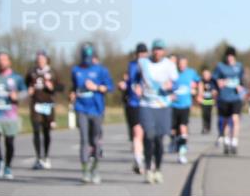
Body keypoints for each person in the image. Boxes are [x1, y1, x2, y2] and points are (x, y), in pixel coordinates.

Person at [70, 43, 115, 185]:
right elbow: (73, 87)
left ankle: (95, 168)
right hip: (81, 108)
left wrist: (96, 87)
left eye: (89, 57)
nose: (87, 59)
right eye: (85, 57)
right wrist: (72, 94)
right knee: (84, 139)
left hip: (97, 110)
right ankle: (85, 171)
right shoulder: (76, 70)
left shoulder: (101, 70)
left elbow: (110, 87)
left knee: (95, 141)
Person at [135, 39, 178, 183]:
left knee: (159, 140)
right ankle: (148, 168)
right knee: (149, 136)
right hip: (146, 104)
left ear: (163, 51)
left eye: (160, 49)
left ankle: (158, 169)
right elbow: (135, 79)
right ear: (151, 50)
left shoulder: (169, 65)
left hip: (163, 105)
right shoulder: (143, 63)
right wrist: (136, 87)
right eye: (155, 49)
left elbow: (176, 83)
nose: (157, 52)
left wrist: (170, 88)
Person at [0, 52, 26, 179]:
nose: (1, 62)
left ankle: (8, 167)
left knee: (9, 142)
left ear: (9, 61)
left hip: (10, 114)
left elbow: (25, 92)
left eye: (4, 59)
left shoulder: (16, 77)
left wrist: (17, 96)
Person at [25, 49, 57, 170]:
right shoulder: (31, 72)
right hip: (35, 105)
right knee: (36, 130)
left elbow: (60, 87)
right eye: (38, 59)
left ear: (46, 59)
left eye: (42, 59)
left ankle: (46, 156)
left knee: (46, 132)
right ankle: (38, 157)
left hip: (47, 105)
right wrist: (29, 90)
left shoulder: (52, 72)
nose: (40, 61)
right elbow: (25, 83)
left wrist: (52, 87)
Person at [119, 42, 148, 173]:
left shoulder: (151, 66)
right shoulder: (131, 66)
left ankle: (143, 156)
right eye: (139, 54)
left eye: (144, 54)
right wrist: (124, 85)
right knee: (137, 131)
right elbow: (129, 81)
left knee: (146, 134)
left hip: (148, 104)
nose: (141, 56)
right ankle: (138, 159)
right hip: (133, 103)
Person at [213, 46, 245, 155]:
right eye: (228, 56)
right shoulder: (220, 67)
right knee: (226, 121)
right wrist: (218, 83)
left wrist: (241, 86)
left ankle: (234, 142)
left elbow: (242, 80)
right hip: (224, 97)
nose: (230, 58)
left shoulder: (239, 66)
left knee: (235, 119)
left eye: (231, 56)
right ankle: (226, 141)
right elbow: (214, 80)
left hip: (236, 97)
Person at [170, 56, 200, 164]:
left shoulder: (191, 72)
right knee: (172, 130)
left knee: (183, 128)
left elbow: (199, 82)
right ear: (177, 64)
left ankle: (182, 153)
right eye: (180, 63)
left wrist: (198, 93)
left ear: (186, 64)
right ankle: (173, 141)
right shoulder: (172, 73)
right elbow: (165, 85)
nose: (181, 65)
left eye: (184, 63)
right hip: (173, 105)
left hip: (185, 105)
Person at [197, 67, 217, 134]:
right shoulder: (201, 81)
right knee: (204, 114)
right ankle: (204, 127)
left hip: (211, 100)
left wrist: (214, 94)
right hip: (203, 100)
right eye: (204, 74)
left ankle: (208, 127)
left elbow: (215, 91)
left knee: (209, 114)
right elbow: (199, 91)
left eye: (207, 74)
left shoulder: (213, 81)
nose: (205, 76)